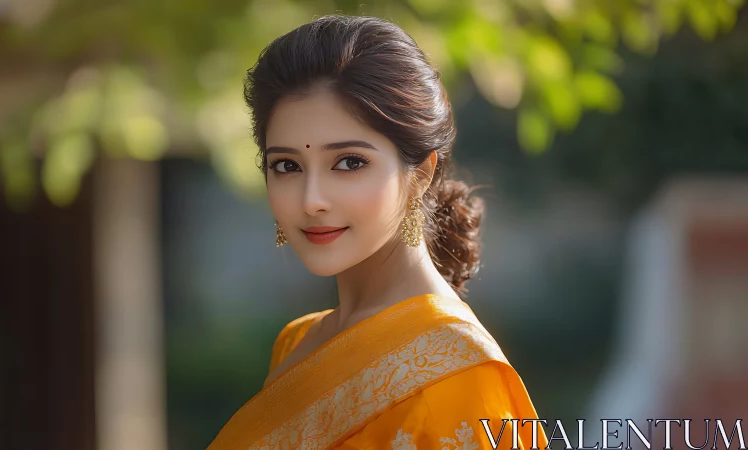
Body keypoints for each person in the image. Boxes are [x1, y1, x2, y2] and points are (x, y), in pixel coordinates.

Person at [208, 14, 548, 450]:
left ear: (420, 174)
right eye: (287, 166)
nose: (312, 200)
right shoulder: (298, 343)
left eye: (349, 162)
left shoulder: (456, 377)